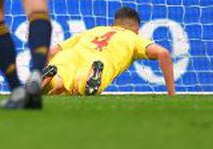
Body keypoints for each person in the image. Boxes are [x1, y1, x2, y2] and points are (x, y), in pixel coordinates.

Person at [41, 7, 175, 96]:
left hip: (72, 55)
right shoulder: (134, 38)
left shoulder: (94, 30)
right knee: (82, 88)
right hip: (102, 61)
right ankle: (90, 76)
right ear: (136, 27)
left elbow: (52, 52)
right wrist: (171, 94)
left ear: (113, 23)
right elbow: (163, 53)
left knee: (60, 73)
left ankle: (53, 77)